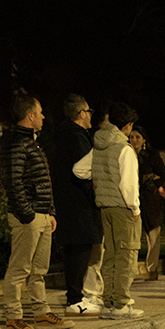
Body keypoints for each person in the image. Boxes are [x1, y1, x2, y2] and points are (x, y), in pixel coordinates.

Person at [0, 94, 74, 329]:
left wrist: (49, 211)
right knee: (19, 269)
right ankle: (13, 318)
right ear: (30, 115)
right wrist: (28, 213)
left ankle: (41, 313)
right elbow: (14, 182)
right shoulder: (17, 144)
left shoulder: (32, 143)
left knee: (39, 269)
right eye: (40, 112)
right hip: (28, 217)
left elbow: (43, 182)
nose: (43, 117)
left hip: (41, 215)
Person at [85, 102, 144, 319]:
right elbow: (129, 184)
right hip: (122, 208)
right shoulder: (124, 148)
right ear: (127, 126)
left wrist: (101, 182)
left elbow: (80, 169)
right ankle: (121, 303)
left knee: (110, 255)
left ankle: (108, 302)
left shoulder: (99, 144)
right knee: (126, 255)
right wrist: (135, 209)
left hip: (104, 207)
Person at [51, 94, 104, 316]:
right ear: (81, 114)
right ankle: (75, 299)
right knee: (79, 251)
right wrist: (96, 196)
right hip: (79, 205)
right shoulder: (77, 138)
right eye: (89, 112)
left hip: (67, 203)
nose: (91, 116)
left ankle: (76, 296)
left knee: (76, 251)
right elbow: (86, 170)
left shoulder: (61, 135)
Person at [127, 126, 165, 280]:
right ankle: (130, 271)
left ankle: (152, 269)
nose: (134, 140)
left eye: (138, 137)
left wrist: (151, 182)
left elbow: (163, 174)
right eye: (132, 137)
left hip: (151, 201)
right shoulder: (126, 153)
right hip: (132, 200)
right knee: (132, 238)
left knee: (153, 238)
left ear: (144, 139)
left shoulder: (151, 155)